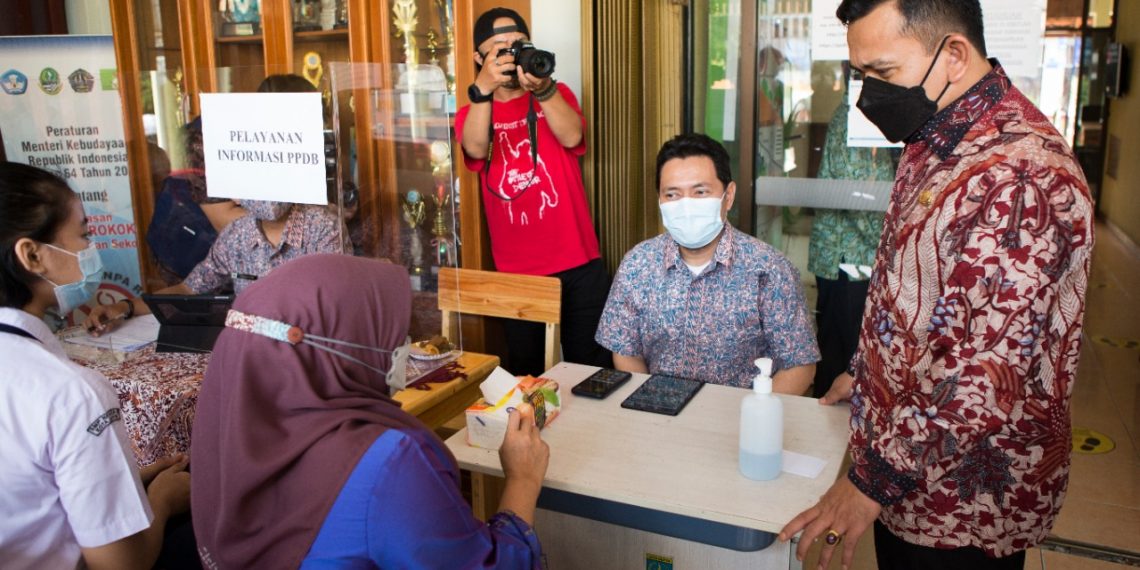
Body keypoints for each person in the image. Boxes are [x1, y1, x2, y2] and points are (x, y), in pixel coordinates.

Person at [780, 2, 1093, 569]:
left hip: (961, 506)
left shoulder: (1020, 175)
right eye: (860, 75)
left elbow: (983, 375)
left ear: (952, 55)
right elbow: (934, 299)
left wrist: (869, 483)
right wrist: (877, 378)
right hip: (914, 466)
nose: (867, 95)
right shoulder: (940, 135)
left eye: (882, 73)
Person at [191, 254, 549, 568]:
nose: (405, 347)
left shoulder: (221, 439)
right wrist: (523, 479)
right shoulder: (388, 463)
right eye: (394, 336)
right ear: (340, 344)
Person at [0, 161, 191, 569]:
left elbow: (31, 492)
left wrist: (128, 481)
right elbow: (119, 564)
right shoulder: (71, 391)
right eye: (83, 234)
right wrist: (163, 498)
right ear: (32, 255)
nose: (90, 248)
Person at [85, 74, 347, 333]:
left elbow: (330, 306)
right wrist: (124, 307)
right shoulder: (237, 235)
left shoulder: (323, 228)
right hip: (248, 349)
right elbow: (188, 289)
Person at [595, 134, 818, 392]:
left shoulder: (769, 269)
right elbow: (625, 350)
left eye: (700, 192)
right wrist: (649, 403)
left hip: (741, 419)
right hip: (659, 414)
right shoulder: (637, 265)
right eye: (672, 194)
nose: (686, 205)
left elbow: (800, 364)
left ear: (728, 196)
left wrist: (752, 422)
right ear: (659, 199)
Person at [456, 7, 611, 376]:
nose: (511, 56)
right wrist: (483, 91)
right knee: (529, 379)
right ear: (479, 58)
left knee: (593, 373)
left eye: (517, 46)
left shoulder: (557, 93)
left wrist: (543, 89)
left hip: (579, 260)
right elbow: (476, 149)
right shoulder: (472, 110)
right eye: (499, 49)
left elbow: (573, 135)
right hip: (518, 272)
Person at [807, 91, 899, 398]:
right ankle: (829, 429)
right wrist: (891, 247)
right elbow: (857, 197)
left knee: (840, 345)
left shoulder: (873, 116)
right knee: (843, 350)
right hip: (846, 256)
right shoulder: (854, 116)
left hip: (857, 253)